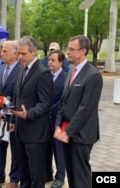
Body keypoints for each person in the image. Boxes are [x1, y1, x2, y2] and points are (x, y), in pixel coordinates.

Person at [54, 35, 103, 188]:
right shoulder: (71, 72)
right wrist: (57, 125)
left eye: (71, 49)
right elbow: (63, 102)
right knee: (72, 176)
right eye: (67, 48)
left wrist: (68, 132)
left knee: (81, 177)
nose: (67, 52)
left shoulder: (93, 75)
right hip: (66, 132)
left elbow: (85, 109)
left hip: (81, 135)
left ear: (83, 51)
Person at [9, 36, 53, 188]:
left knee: (36, 174)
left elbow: (45, 103)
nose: (20, 57)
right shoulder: (22, 69)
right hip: (21, 130)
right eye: (19, 53)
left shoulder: (43, 73)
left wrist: (28, 114)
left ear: (34, 53)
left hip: (36, 134)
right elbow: (17, 96)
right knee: (24, 172)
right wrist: (13, 121)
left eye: (23, 54)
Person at [0, 40, 20, 188]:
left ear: (15, 53)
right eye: (2, 51)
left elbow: (19, 96)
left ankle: (14, 179)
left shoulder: (22, 70)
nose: (2, 53)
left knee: (15, 149)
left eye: (5, 51)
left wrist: (6, 110)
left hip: (13, 116)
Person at [46, 50, 67, 188]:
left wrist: (48, 108)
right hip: (44, 120)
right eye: (49, 60)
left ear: (61, 62)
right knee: (46, 147)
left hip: (57, 119)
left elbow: (63, 101)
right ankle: (47, 173)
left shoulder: (66, 78)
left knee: (58, 149)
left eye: (53, 60)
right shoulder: (46, 76)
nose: (50, 63)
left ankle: (60, 177)